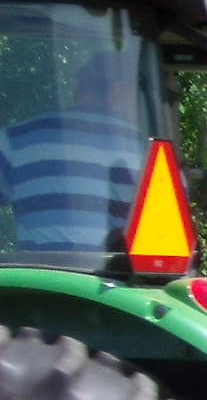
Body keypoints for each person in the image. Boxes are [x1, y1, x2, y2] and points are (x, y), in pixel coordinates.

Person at [0, 47, 152, 256]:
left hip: (35, 282)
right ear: (120, 91)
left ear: (79, 90)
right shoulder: (150, 154)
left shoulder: (15, 139)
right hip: (113, 283)